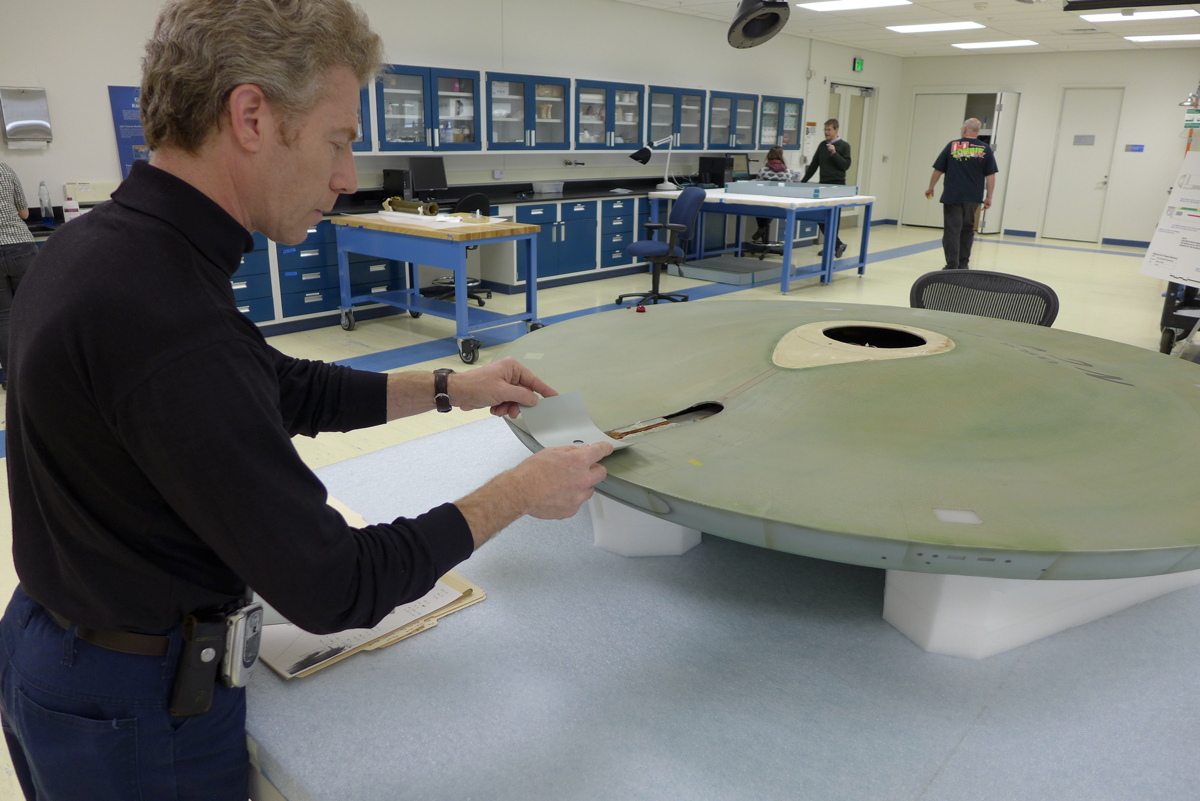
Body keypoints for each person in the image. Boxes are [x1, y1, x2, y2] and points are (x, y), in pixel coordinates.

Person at [0, 1, 611, 799]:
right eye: (339, 139)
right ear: (252, 115)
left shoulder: (103, 247)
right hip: (136, 710)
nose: (347, 177)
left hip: (59, 646)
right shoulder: (163, 310)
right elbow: (336, 585)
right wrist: (522, 491)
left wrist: (447, 387)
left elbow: (271, 384)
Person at [924, 118, 998, 270]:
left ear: (965, 129)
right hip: (973, 197)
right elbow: (990, 175)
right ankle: (963, 265)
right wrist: (989, 196)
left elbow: (938, 169)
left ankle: (952, 265)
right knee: (967, 230)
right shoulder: (985, 149)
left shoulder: (952, 146)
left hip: (953, 195)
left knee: (952, 230)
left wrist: (931, 187)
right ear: (977, 131)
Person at [0, 163, 37, 390]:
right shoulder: (4, 169)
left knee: (3, 317)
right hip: (20, 246)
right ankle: (39, 372)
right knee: (32, 311)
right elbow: (24, 212)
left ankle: (12, 378)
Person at [801, 118, 852, 259]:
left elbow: (845, 165)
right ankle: (836, 244)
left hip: (838, 185)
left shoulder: (844, 146)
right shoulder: (822, 145)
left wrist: (834, 153)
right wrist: (803, 182)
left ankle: (831, 246)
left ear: (836, 130)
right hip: (824, 184)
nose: (826, 132)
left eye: (829, 130)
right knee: (821, 216)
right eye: (825, 130)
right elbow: (814, 165)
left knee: (834, 217)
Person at [751, 145, 790, 244]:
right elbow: (790, 187)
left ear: (769, 155)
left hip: (764, 203)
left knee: (759, 209)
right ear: (781, 156)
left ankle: (761, 227)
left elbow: (757, 184)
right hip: (779, 204)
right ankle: (763, 228)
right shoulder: (787, 172)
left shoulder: (763, 170)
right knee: (771, 210)